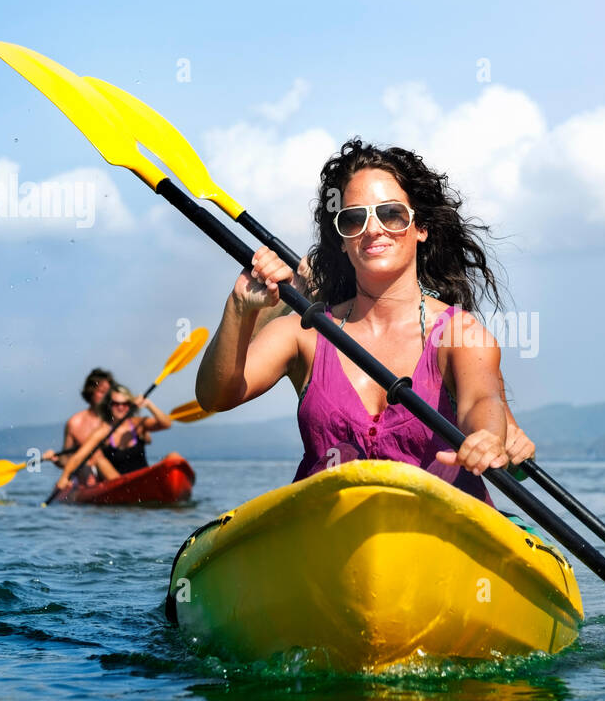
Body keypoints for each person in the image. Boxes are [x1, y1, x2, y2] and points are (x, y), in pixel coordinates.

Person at [197, 138, 529, 504]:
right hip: (329, 533)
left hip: (442, 532)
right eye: (353, 219)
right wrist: (240, 308)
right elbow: (215, 397)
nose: (373, 229)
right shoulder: (302, 334)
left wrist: (486, 437)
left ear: (421, 228)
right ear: (341, 239)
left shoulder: (460, 333)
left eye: (391, 214)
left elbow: (481, 400)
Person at [53, 384, 174, 490]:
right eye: (116, 404)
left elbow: (167, 424)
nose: (121, 407)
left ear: (130, 405)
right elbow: (79, 456)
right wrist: (64, 477)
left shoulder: (138, 424)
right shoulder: (103, 431)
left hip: (143, 479)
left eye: (125, 404)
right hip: (117, 483)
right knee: (97, 457)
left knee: (173, 456)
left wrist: (148, 404)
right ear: (109, 406)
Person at [43, 368, 120, 486]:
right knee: (87, 466)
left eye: (108, 392)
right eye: (101, 392)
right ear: (90, 392)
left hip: (117, 472)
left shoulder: (119, 418)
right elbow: (66, 460)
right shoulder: (75, 423)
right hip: (88, 479)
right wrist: (56, 459)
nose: (106, 397)